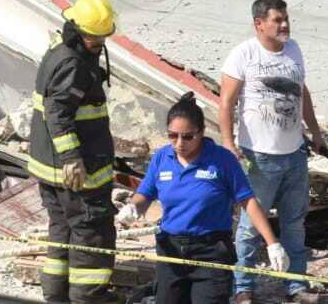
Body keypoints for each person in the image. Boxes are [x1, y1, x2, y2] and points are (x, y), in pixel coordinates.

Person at [118, 93, 288, 304]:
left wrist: (272, 243)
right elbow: (145, 193)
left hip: (210, 252)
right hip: (171, 250)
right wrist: (134, 207)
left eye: (188, 136)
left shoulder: (221, 160)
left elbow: (248, 201)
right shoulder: (162, 157)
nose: (179, 143)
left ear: (201, 133)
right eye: (172, 136)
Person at [219, 0, 324, 304]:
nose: (284, 25)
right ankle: (243, 287)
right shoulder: (244, 54)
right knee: (252, 225)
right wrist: (228, 142)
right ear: (259, 23)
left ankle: (296, 286)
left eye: (286, 19)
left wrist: (314, 129)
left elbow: (301, 91)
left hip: (294, 155)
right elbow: (226, 101)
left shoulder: (294, 50)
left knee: (294, 222)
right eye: (277, 20)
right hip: (259, 157)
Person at [27, 0, 118, 304]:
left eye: (103, 34)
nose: (100, 40)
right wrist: (72, 158)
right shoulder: (73, 64)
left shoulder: (60, 49)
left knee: (62, 231)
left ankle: (56, 297)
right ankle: (88, 299)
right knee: (92, 235)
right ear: (79, 29)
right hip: (76, 172)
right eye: (95, 35)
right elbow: (58, 111)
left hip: (49, 167)